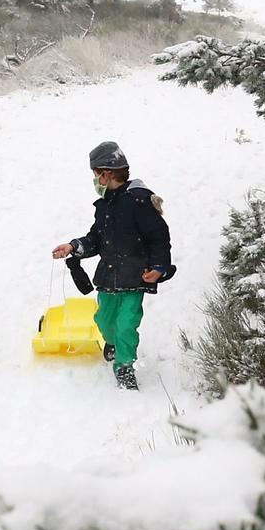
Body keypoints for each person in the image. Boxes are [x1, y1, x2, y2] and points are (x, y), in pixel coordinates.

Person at [51, 141, 173, 391]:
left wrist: (160, 267)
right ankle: (112, 342)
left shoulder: (140, 201)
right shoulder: (105, 206)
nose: (95, 179)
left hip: (136, 278)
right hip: (108, 277)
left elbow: (159, 237)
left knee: (127, 323)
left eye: (95, 174)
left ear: (106, 173)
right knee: (105, 321)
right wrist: (74, 247)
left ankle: (124, 367)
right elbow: (96, 238)